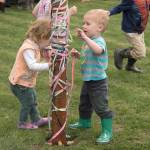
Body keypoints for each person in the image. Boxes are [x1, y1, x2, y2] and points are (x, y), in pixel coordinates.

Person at [69, 9, 113, 144]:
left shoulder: (99, 41)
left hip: (98, 82)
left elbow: (98, 51)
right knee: (84, 104)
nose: (84, 26)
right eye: (83, 23)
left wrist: (85, 38)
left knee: (101, 107)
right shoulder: (89, 41)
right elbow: (88, 55)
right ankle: (84, 122)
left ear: (99, 27)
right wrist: (78, 54)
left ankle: (107, 132)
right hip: (88, 80)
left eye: (87, 24)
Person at [9, 19, 52, 129]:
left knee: (33, 100)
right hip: (19, 83)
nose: (49, 44)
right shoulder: (28, 48)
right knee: (27, 103)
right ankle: (22, 124)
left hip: (26, 82)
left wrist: (46, 51)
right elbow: (32, 65)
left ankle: (37, 120)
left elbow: (40, 50)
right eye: (49, 41)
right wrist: (49, 65)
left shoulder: (34, 44)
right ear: (42, 37)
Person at [109, 0, 150, 73]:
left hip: (140, 29)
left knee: (137, 49)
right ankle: (120, 53)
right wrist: (108, 12)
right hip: (131, 30)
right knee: (140, 53)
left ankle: (130, 66)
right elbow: (119, 8)